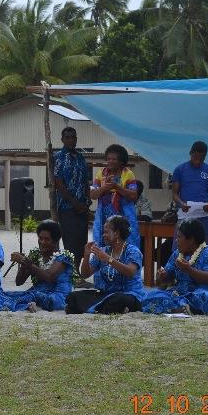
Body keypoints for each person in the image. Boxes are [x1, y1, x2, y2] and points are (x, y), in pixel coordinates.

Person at [141, 219, 208, 316]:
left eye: (179, 237)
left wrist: (189, 270)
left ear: (191, 240)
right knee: (150, 296)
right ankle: (181, 309)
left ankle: (178, 308)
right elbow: (165, 280)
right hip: (179, 294)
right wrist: (163, 276)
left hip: (207, 294)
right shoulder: (177, 254)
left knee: (201, 296)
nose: (176, 240)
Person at [0, 220, 74, 312]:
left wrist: (26, 263)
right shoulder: (36, 255)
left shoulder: (64, 257)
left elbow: (49, 277)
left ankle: (22, 305)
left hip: (57, 297)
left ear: (55, 241)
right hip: (35, 293)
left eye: (47, 239)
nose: (42, 242)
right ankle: (26, 305)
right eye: (40, 238)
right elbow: (19, 282)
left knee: (33, 296)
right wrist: (23, 263)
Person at [65, 215, 144, 314]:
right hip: (106, 294)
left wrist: (108, 259)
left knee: (117, 300)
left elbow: (130, 272)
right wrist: (86, 255)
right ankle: (108, 309)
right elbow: (85, 274)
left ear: (117, 233)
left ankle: (106, 308)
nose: (103, 235)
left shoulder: (132, 251)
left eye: (106, 232)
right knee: (72, 296)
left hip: (129, 294)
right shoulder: (103, 251)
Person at [52, 127, 91, 281]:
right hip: (67, 207)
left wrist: (87, 201)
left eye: (73, 137)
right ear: (62, 139)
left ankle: (76, 274)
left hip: (83, 207)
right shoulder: (58, 157)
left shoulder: (81, 157)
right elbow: (59, 184)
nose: (71, 140)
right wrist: (74, 203)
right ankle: (71, 275)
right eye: (67, 137)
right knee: (71, 242)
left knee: (82, 241)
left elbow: (85, 181)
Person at [90, 144, 139, 248]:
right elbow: (93, 195)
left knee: (126, 242)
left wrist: (116, 187)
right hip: (103, 216)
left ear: (121, 161)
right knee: (102, 241)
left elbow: (133, 195)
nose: (110, 161)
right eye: (108, 159)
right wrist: (104, 188)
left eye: (114, 159)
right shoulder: (100, 174)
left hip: (124, 216)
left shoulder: (128, 174)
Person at [172, 141, 208, 247]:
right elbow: (174, 193)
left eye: (201, 159)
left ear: (205, 156)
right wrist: (181, 203)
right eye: (195, 158)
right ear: (191, 153)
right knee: (179, 246)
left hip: (205, 214)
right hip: (185, 213)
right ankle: (179, 263)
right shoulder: (180, 170)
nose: (198, 162)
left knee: (205, 247)